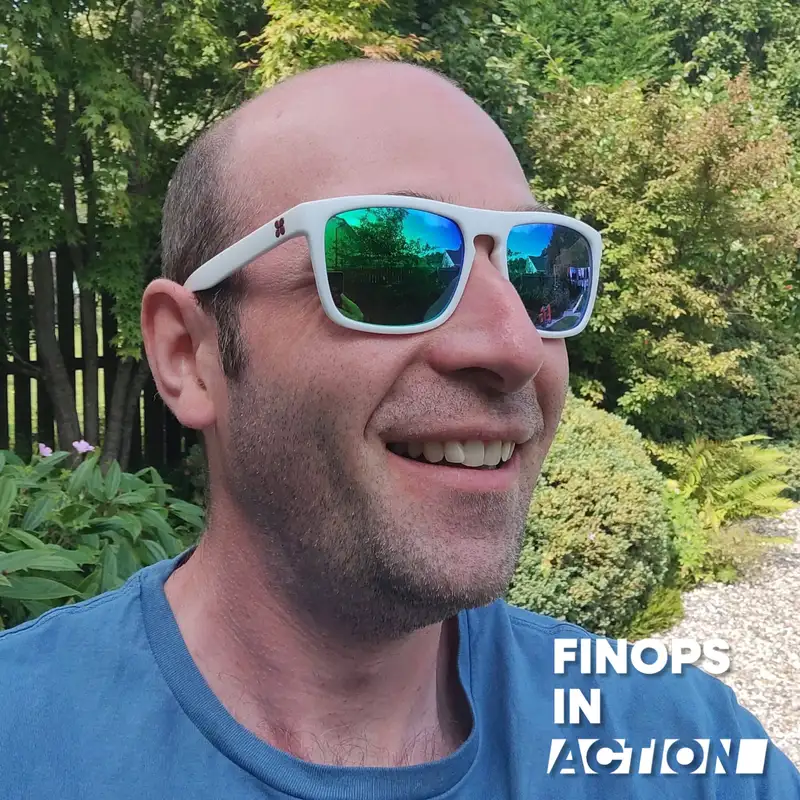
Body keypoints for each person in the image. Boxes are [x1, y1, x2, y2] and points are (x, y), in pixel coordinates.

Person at [0, 60, 798, 800]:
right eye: (392, 267)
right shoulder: (26, 744)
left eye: (538, 268)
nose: (516, 346)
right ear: (188, 355)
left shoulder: (683, 750)